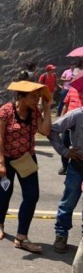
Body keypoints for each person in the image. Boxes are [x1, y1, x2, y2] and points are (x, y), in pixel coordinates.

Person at [0, 82, 51, 253]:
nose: (36, 100)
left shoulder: (34, 112)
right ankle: (0, 224)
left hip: (26, 159)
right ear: (21, 96)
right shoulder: (6, 111)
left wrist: (46, 109)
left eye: (38, 98)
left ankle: (21, 237)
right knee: (5, 193)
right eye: (33, 97)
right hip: (6, 159)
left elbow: (45, 131)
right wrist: (1, 163)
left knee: (32, 195)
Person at [48, 89, 83, 253]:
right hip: (77, 166)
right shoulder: (76, 115)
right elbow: (53, 129)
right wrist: (64, 151)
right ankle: (61, 234)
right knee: (68, 202)